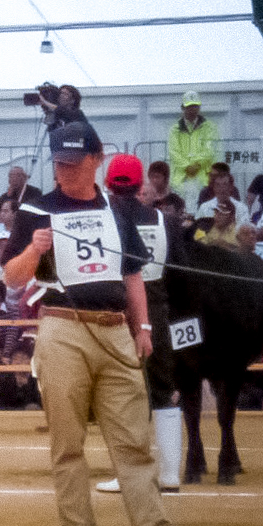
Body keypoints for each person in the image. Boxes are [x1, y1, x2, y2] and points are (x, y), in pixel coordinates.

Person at [0, 121, 205, 526]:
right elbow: (11, 277)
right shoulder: (36, 210)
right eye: (59, 163)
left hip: (115, 328)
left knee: (132, 437)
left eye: (74, 163)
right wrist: (34, 251)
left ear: (97, 159)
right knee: (68, 440)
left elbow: (133, 275)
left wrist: (144, 327)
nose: (65, 171)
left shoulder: (117, 210)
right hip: (62, 325)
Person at [96, 154, 183, 496]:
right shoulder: (165, 222)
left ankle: (130, 474)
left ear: (108, 184)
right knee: (163, 390)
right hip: (158, 312)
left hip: (120, 314)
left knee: (125, 396)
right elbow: (178, 273)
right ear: (141, 186)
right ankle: (170, 475)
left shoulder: (105, 218)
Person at [167, 92, 218, 195]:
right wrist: (187, 167)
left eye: (195, 106)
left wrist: (197, 164)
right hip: (180, 181)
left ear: (199, 107)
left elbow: (210, 150)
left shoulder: (209, 128)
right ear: (183, 108)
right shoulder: (174, 129)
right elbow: (174, 152)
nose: (192, 109)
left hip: (203, 180)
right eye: (189, 106)